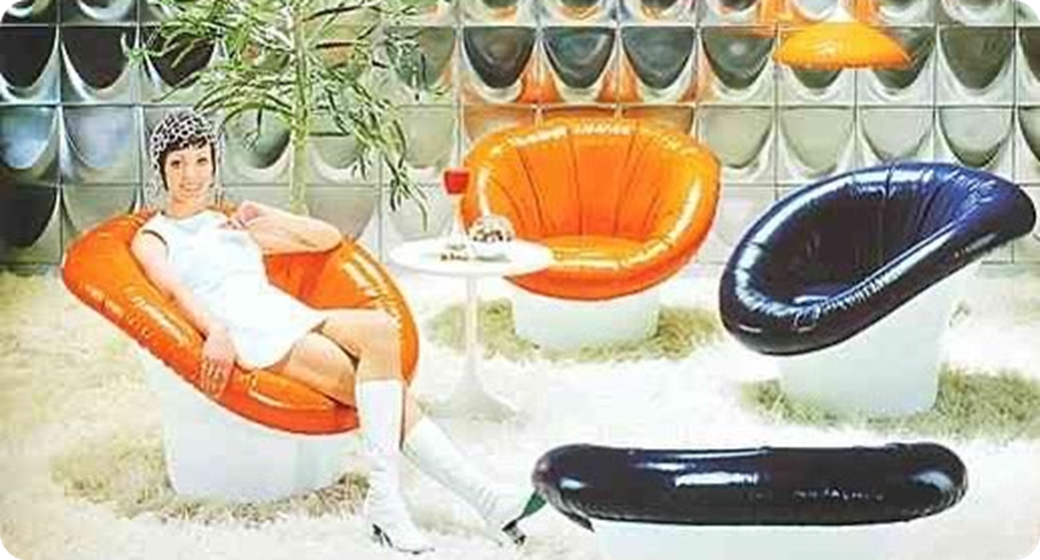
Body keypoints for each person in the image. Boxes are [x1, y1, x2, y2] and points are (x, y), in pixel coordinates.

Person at [133, 110, 543, 554]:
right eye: (177, 163)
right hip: (250, 334)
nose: (191, 175)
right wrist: (215, 331)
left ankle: (399, 503)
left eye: (201, 160)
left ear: (215, 163)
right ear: (161, 170)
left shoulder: (228, 224)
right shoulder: (155, 236)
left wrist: (270, 215)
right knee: (382, 395)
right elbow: (172, 289)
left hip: (280, 313)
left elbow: (328, 238)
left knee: (381, 330)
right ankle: (464, 500)